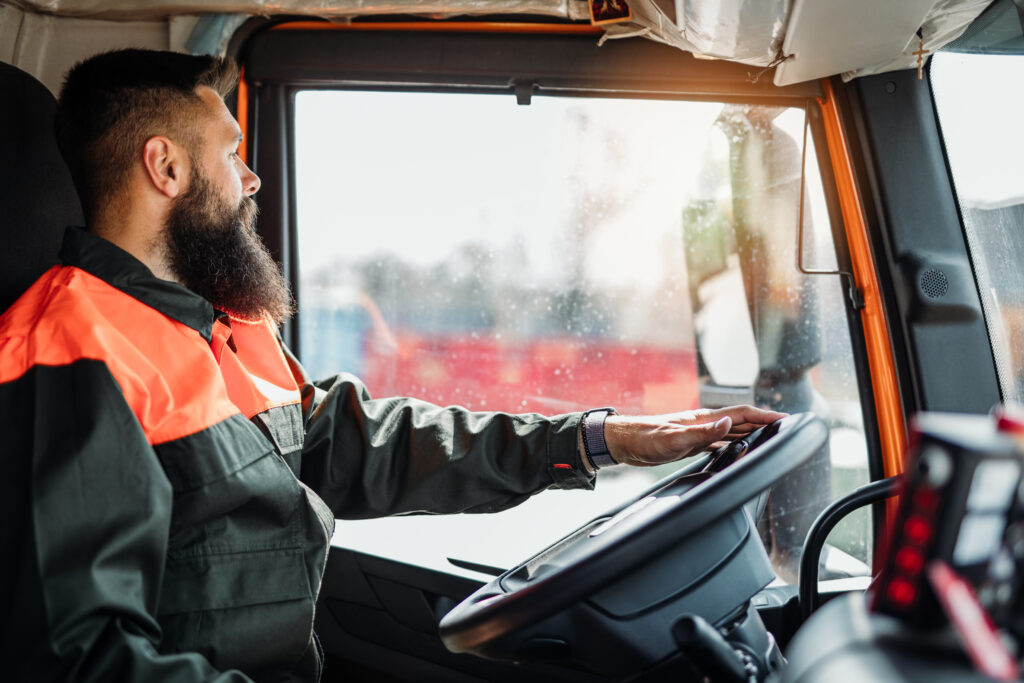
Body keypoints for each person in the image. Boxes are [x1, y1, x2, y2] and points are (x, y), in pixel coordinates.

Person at [0, 49, 784, 682]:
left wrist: (599, 438)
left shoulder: (225, 323)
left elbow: (354, 443)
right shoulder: (68, 346)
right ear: (165, 168)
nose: (252, 179)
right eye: (233, 154)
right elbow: (77, 656)